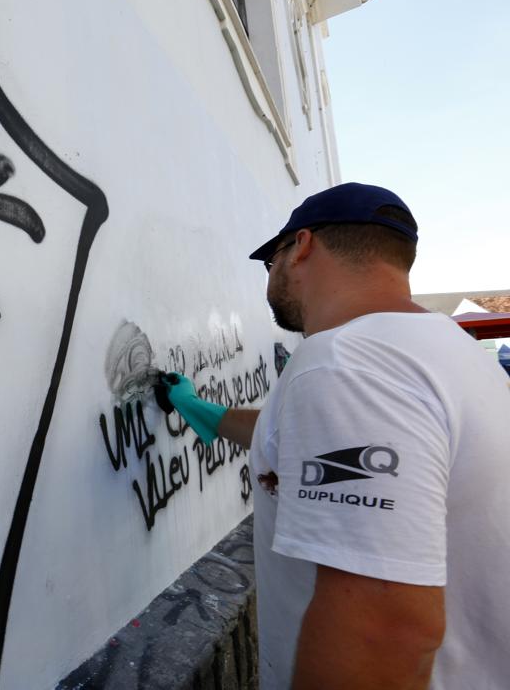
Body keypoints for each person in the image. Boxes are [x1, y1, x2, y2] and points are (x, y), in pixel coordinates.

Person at [161, 182, 510, 689]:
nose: (270, 280)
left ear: (301, 246)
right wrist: (200, 410)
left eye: (270, 262)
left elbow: (384, 630)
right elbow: (298, 444)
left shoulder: (348, 366)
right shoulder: (443, 349)